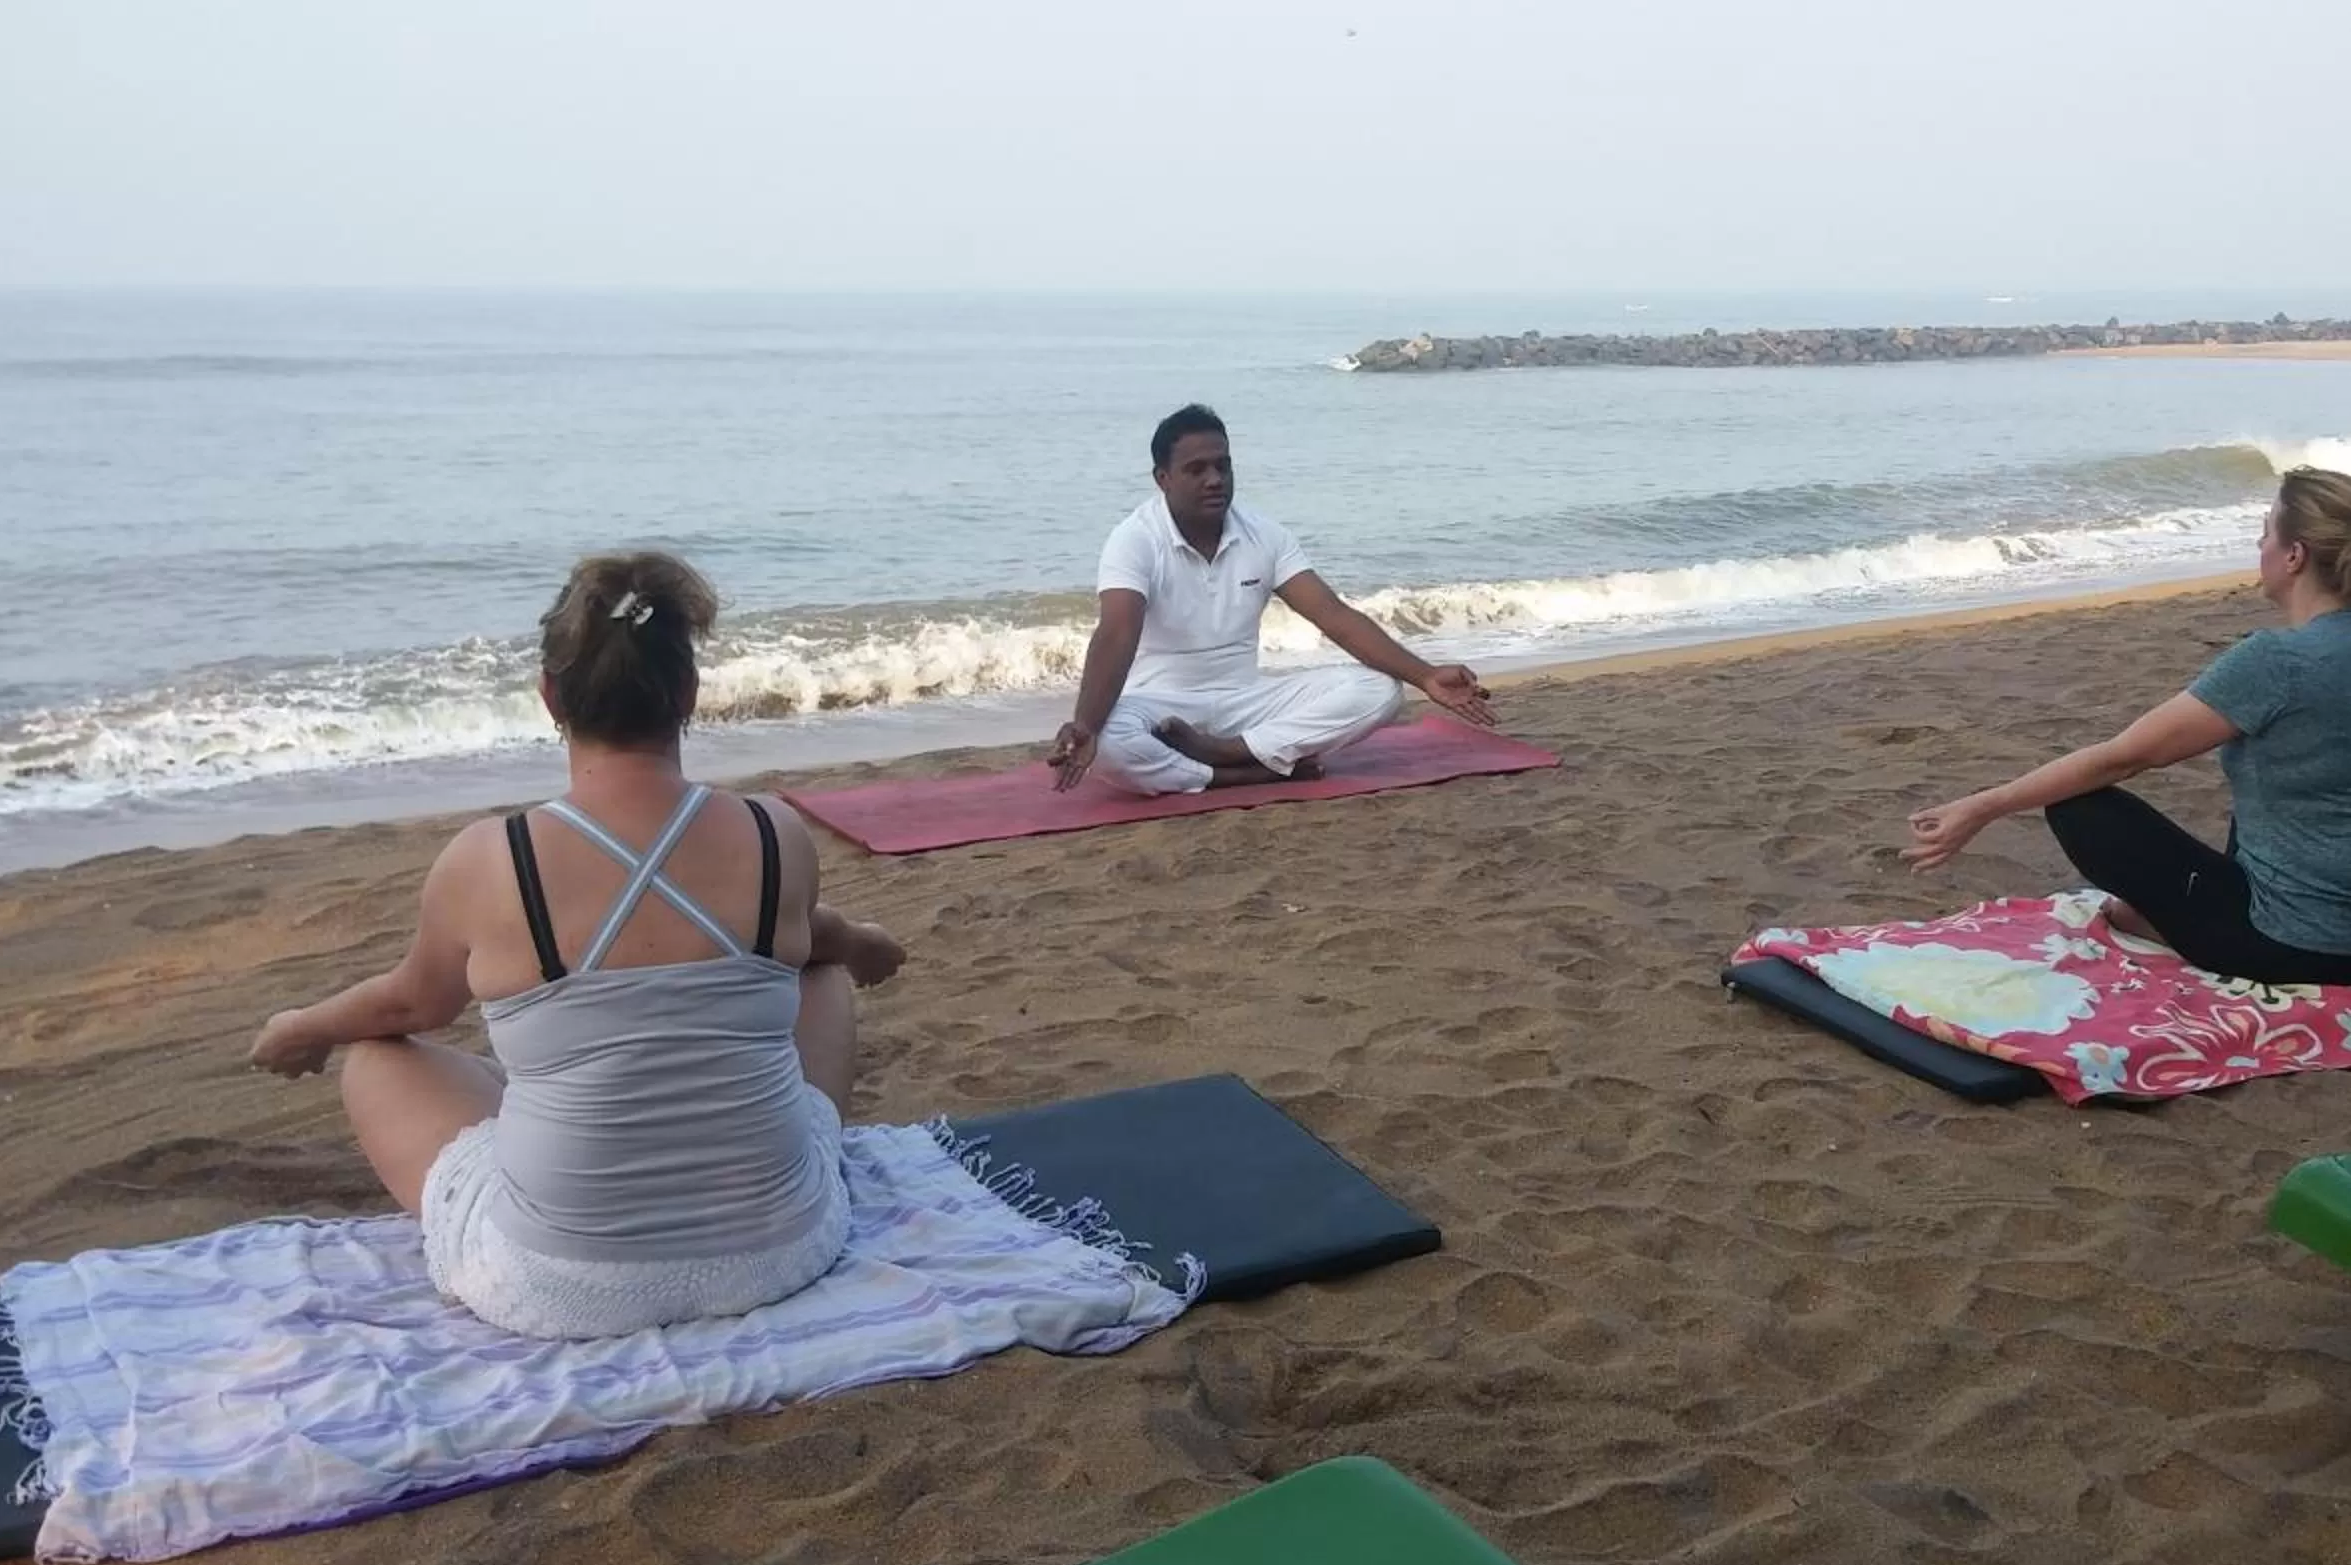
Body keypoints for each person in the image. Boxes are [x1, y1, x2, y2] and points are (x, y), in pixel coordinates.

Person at [245, 552, 910, 1340]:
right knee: (823, 976)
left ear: (549, 696)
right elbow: (812, 937)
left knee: (373, 1057)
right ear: (690, 693)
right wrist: (866, 946)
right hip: (778, 1254)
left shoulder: (494, 858)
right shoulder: (775, 833)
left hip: (562, 1284)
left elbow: (407, 1006)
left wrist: (303, 1026)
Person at [1899, 467, 2351, 987]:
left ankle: (2157, 925)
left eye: (2265, 533)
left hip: (2302, 946)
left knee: (2078, 807)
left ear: (2294, 556)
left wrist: (1983, 807)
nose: (2259, 545)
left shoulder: (2275, 661)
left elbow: (2123, 757)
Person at [1048, 403, 1498, 794]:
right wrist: (1085, 724)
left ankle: (1228, 752)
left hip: (1248, 704)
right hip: (1161, 708)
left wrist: (1426, 676)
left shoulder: (1264, 535)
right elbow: (1118, 631)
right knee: (1109, 741)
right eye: (1196, 470)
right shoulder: (1134, 539)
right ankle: (1245, 774)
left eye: (1223, 466)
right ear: (1162, 479)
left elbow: (1334, 616)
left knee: (1379, 690)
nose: (1214, 480)